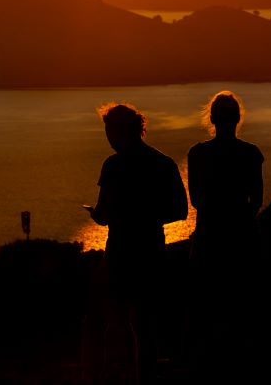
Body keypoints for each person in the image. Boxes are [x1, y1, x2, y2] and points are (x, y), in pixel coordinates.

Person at [87, 102, 188, 385]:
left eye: (109, 131)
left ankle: (112, 375)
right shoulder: (163, 163)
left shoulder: (113, 166)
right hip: (152, 250)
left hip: (120, 253)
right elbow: (180, 210)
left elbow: (103, 215)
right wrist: (149, 214)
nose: (107, 138)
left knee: (114, 322)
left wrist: (99, 215)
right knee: (145, 325)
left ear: (123, 131)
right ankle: (143, 376)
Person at [184, 90, 264, 380]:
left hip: (208, 239)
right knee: (241, 308)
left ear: (212, 119)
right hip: (243, 239)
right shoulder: (251, 154)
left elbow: (196, 201)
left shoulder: (197, 154)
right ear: (237, 119)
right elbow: (256, 199)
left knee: (207, 308)